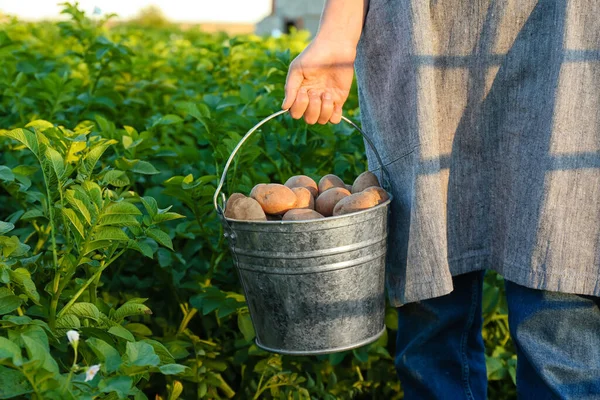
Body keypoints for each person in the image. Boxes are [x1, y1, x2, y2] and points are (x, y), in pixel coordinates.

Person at [282, 0, 600, 398]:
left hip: (565, 26)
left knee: (558, 291)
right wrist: (337, 33)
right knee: (430, 300)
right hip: (423, 30)